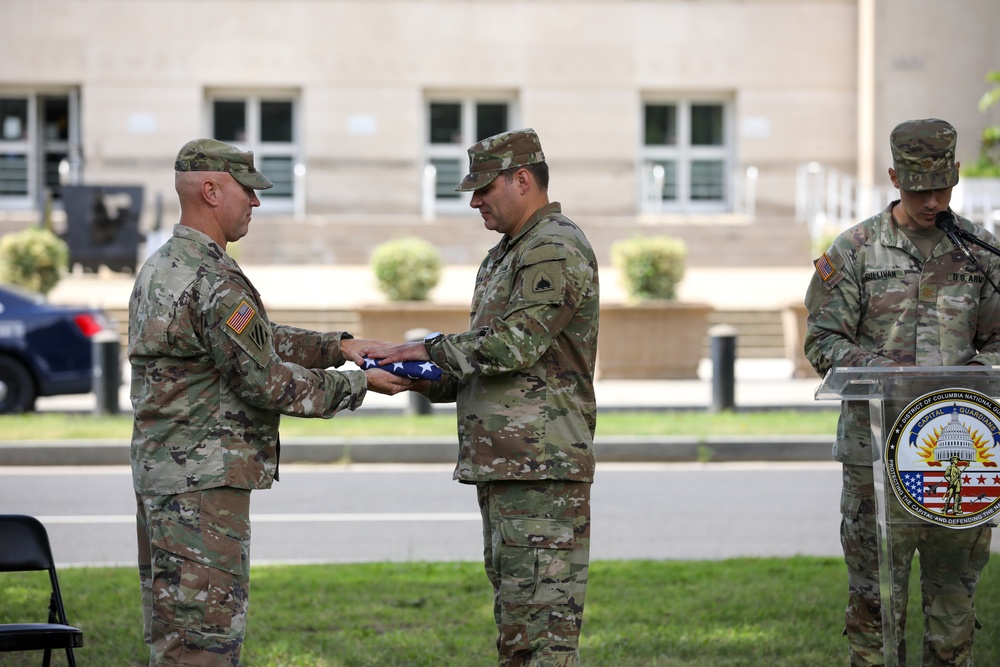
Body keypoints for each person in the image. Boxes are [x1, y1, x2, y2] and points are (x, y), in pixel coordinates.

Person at [129, 138, 411, 666]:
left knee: (173, 641)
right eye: (248, 191)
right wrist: (359, 384)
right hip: (204, 493)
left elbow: (250, 338)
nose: (256, 203)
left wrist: (338, 347)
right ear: (211, 191)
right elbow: (267, 382)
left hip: (166, 480)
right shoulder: (214, 279)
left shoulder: (163, 267)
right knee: (202, 650)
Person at [360, 128, 600, 666]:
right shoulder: (506, 254)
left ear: (522, 180)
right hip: (508, 467)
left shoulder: (555, 246)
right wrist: (419, 373)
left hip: (541, 471)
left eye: (483, 188)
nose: (474, 201)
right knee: (518, 631)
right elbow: (488, 362)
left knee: (542, 640)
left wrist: (424, 345)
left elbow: (516, 343)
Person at [804, 118, 1000, 665]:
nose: (932, 200)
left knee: (953, 597)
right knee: (874, 599)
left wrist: (978, 373)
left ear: (957, 175)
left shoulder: (982, 253)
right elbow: (822, 339)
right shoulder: (855, 251)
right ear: (894, 177)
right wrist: (880, 373)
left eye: (941, 187)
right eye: (918, 189)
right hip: (876, 452)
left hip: (956, 451)